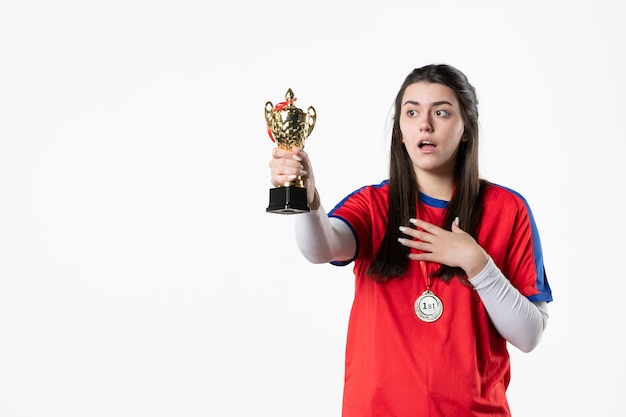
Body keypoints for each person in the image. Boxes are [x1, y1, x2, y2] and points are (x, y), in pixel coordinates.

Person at [268, 64, 553, 417]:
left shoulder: (508, 209)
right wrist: (309, 202)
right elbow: (321, 248)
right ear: (400, 131)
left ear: (466, 129)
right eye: (412, 111)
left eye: (442, 112)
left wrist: (478, 264)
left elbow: (530, 335)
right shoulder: (373, 204)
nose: (425, 124)